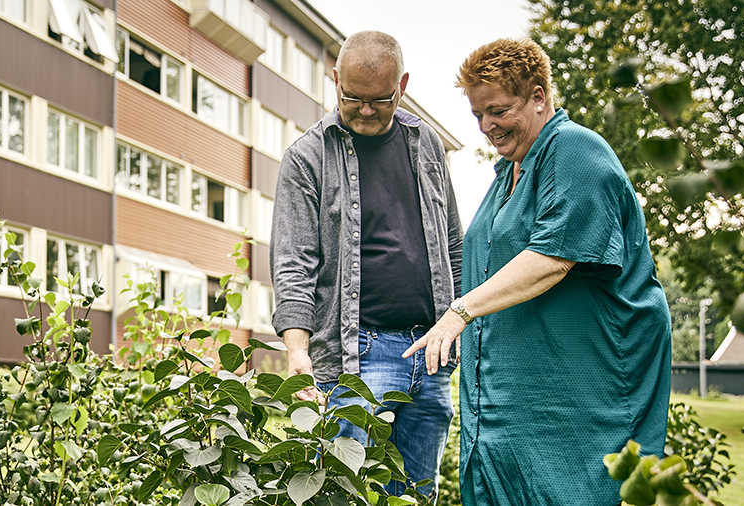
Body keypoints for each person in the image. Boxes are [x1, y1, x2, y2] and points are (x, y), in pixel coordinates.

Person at [402, 38, 672, 504]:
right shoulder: (508, 174)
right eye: (477, 115)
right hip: (516, 398)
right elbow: (486, 261)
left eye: (499, 110)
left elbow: (552, 258)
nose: (488, 126)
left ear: (540, 96)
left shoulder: (576, 152)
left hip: (578, 394)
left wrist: (460, 312)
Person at [270, 31, 463, 500]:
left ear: (403, 84)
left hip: (431, 350)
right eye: (352, 97)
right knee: (348, 491)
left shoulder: (426, 143)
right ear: (335, 81)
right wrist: (298, 351)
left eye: (381, 99)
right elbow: (293, 263)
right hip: (358, 356)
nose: (367, 110)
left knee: (418, 493)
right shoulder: (307, 157)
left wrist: (460, 325)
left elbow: (452, 241)